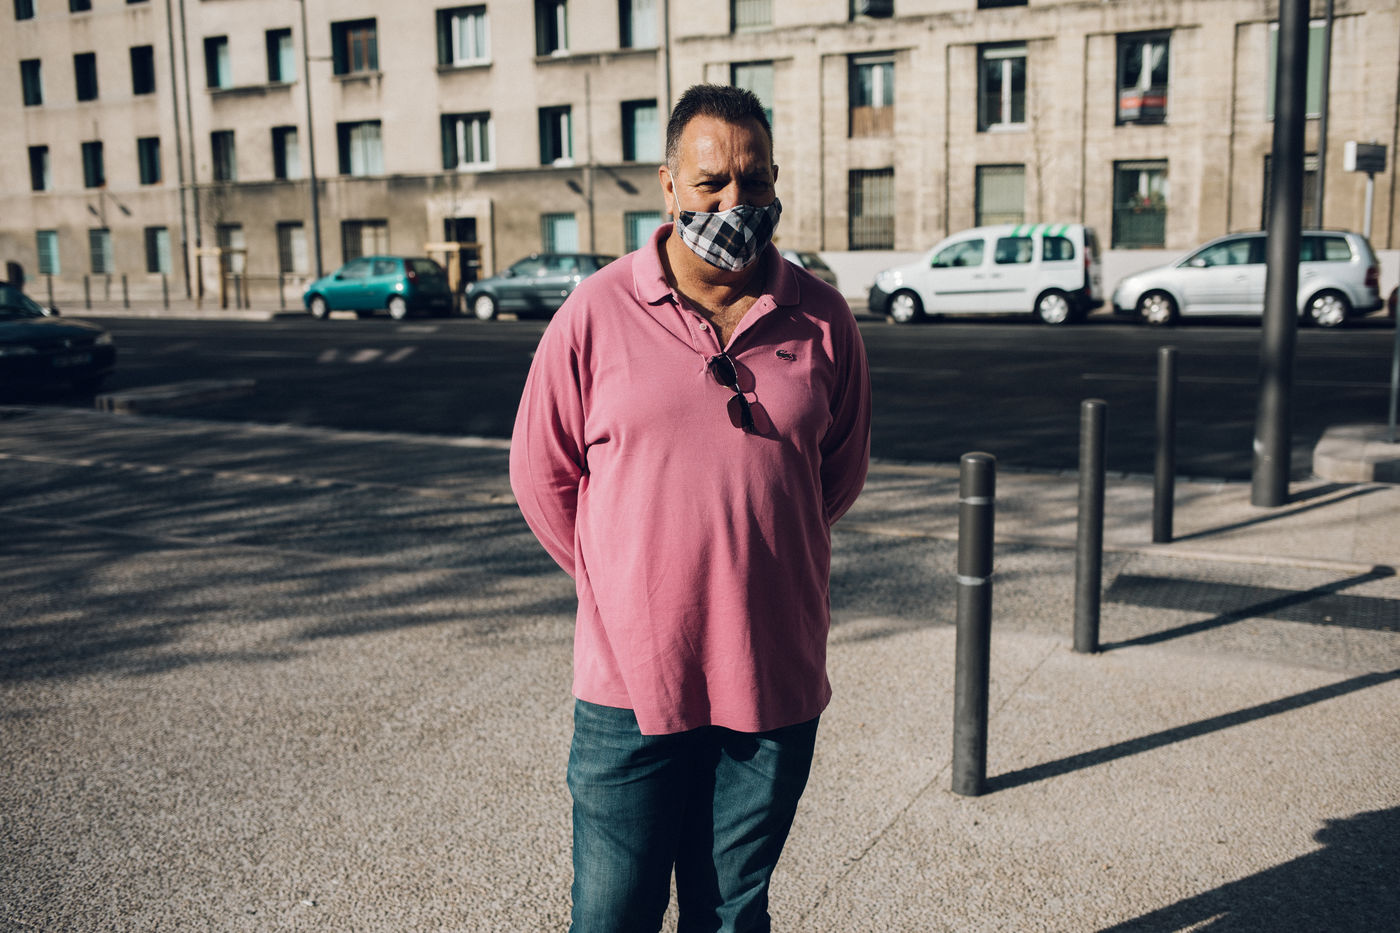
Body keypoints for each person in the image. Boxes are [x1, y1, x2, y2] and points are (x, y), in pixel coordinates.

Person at [509, 83, 871, 932]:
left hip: (772, 676)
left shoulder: (822, 318)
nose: (735, 201)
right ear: (669, 185)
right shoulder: (595, 312)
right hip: (630, 685)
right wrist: (625, 585)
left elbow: (835, 476)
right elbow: (540, 475)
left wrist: (755, 553)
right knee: (612, 913)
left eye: (754, 179)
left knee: (732, 913)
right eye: (711, 182)